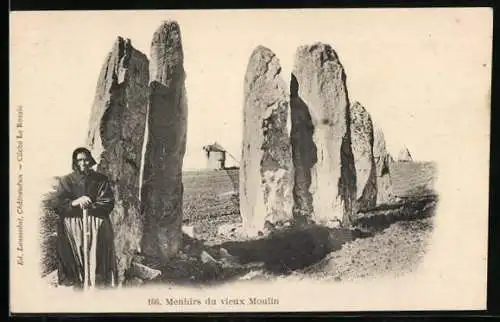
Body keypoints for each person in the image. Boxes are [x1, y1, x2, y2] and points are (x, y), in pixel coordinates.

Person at [47, 147, 118, 288]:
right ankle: (77, 283)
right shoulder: (66, 180)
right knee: (75, 255)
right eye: (80, 160)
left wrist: (90, 204)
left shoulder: (100, 179)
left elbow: (108, 202)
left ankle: (97, 284)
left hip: (96, 224)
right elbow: (57, 203)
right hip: (73, 226)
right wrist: (75, 202)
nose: (83, 163)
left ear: (90, 160)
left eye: (86, 159)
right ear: (75, 162)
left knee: (97, 255)